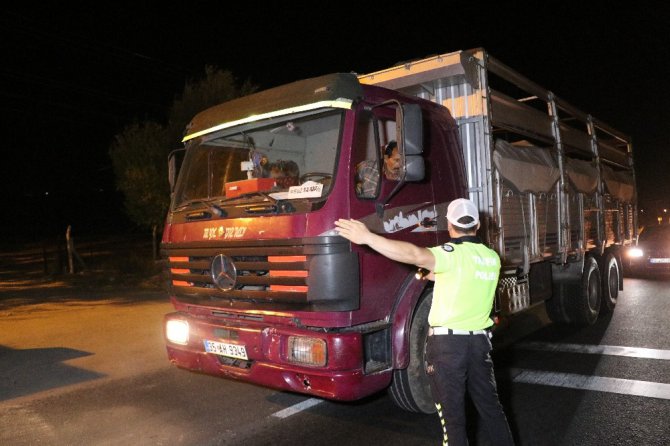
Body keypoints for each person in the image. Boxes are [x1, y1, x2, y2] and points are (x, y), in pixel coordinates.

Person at [334, 198, 514, 446]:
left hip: (448, 348)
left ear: (450, 226)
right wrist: (433, 274)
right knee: (491, 411)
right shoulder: (492, 258)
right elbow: (462, 278)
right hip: (480, 347)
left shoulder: (449, 255)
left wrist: (368, 238)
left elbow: (414, 254)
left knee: (454, 422)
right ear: (478, 225)